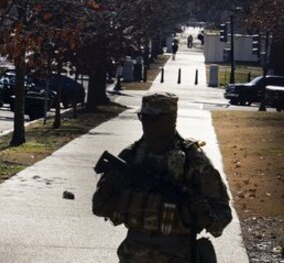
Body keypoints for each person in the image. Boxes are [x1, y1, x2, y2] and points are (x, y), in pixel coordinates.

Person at [92, 92, 232, 262]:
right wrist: (107, 191)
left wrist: (206, 216)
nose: (147, 124)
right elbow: (99, 208)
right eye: (143, 117)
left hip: (178, 255)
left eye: (154, 118)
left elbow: (222, 214)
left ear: (171, 119)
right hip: (133, 255)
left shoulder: (194, 161)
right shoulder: (131, 157)